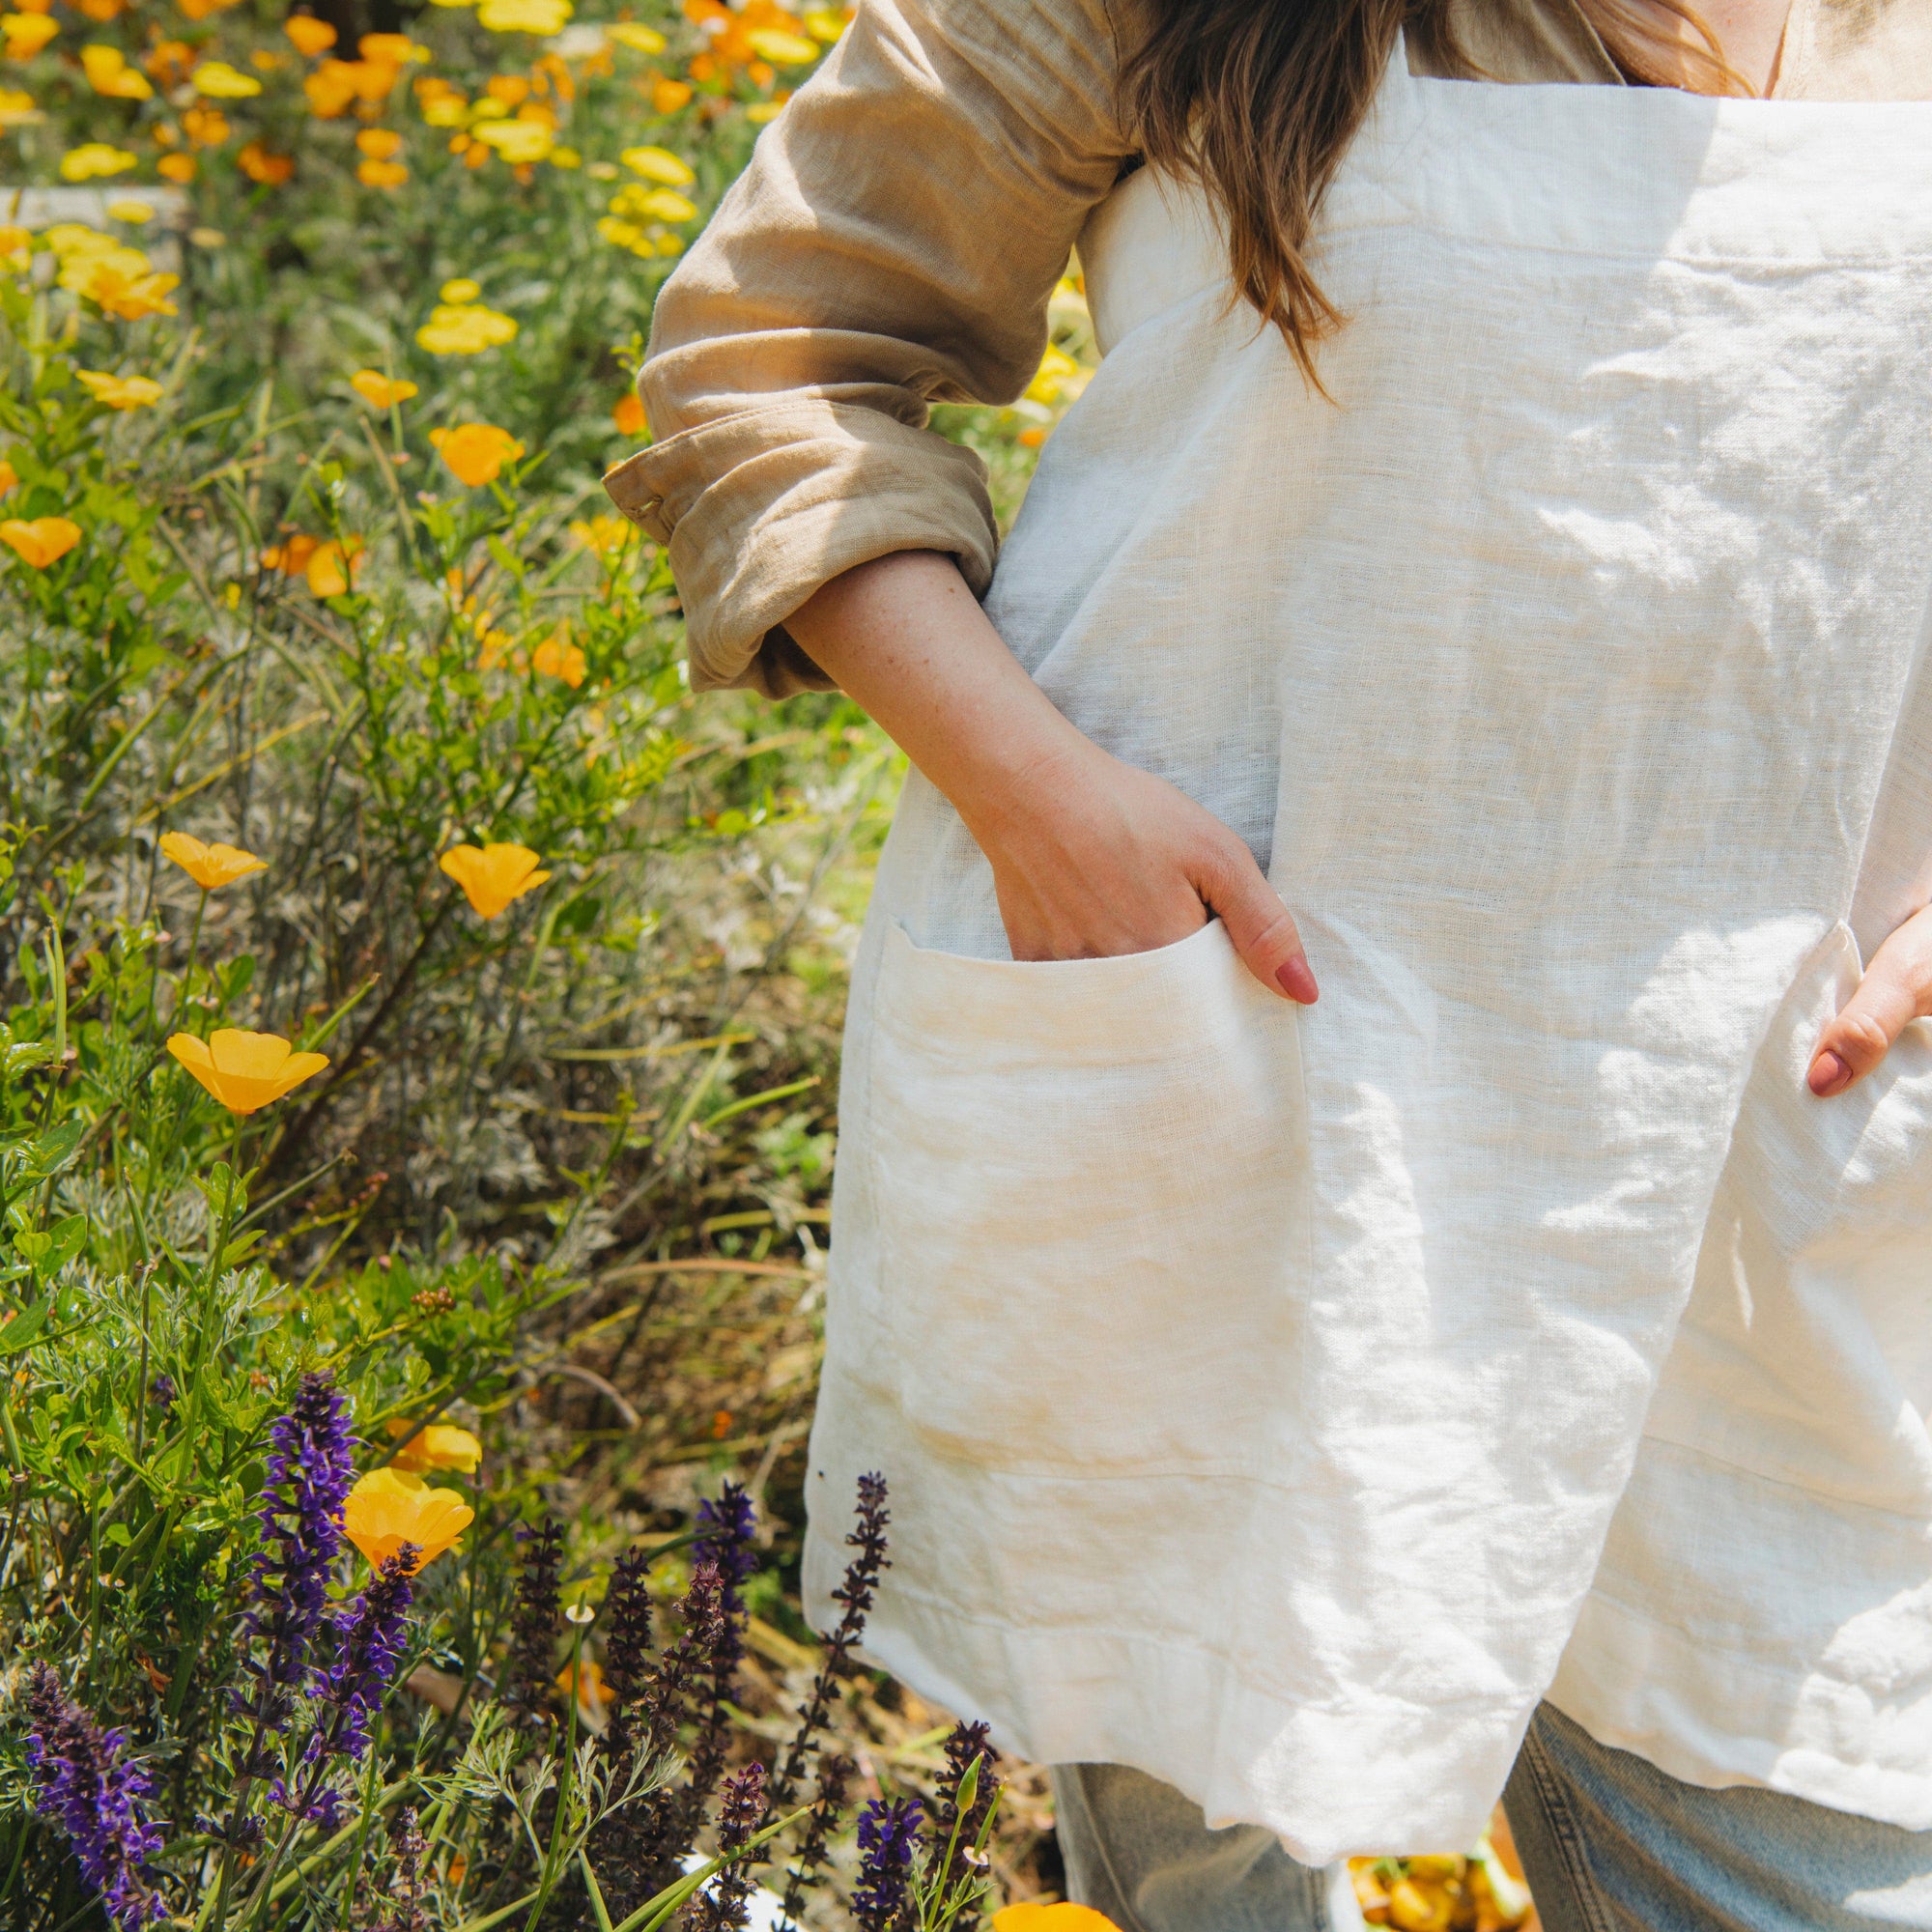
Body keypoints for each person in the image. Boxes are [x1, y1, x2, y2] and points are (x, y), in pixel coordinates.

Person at [606, 0, 1932, 1922]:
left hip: (1777, 1136)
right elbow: (767, 366)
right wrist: (1037, 797)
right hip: (1227, 1052)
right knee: (1206, 1855)